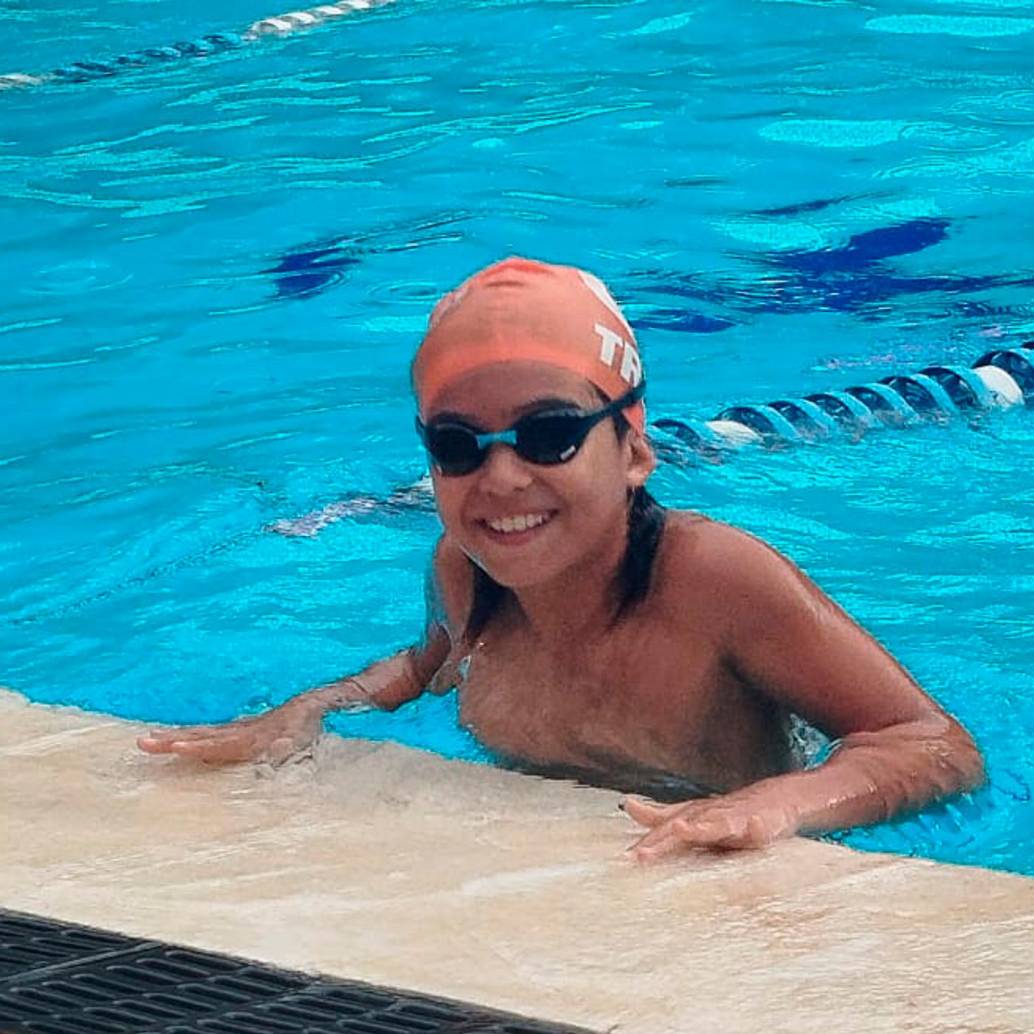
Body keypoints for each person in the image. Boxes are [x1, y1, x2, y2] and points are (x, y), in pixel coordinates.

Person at [138, 257, 984, 862]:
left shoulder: (714, 579)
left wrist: (773, 807)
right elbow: (431, 664)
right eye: (458, 444)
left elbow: (932, 743)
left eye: (549, 435)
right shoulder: (464, 570)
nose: (501, 478)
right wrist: (314, 708)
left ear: (634, 450)